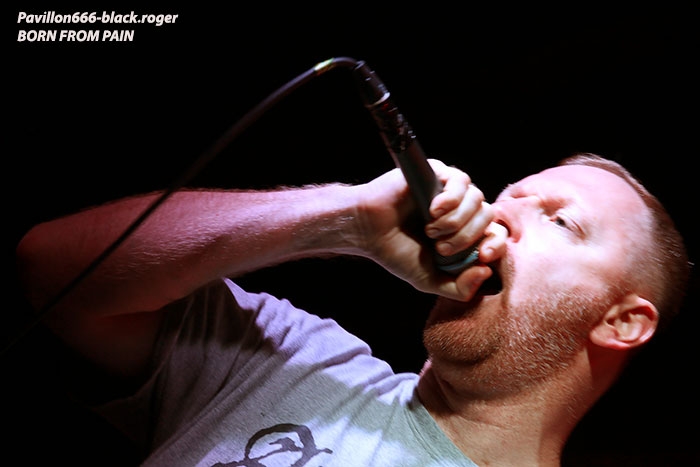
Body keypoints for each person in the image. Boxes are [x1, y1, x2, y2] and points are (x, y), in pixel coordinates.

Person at [15, 152, 689, 466]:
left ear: (622, 321)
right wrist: (344, 218)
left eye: (561, 222)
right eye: (508, 196)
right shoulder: (296, 358)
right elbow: (53, 269)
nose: (499, 215)